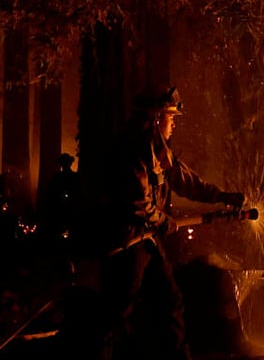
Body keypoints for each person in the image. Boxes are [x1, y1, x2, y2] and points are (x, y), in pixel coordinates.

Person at [96, 84, 245, 360]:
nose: (174, 124)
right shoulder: (132, 151)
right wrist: (164, 221)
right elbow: (137, 204)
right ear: (155, 118)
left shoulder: (159, 151)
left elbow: (186, 181)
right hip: (126, 245)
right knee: (117, 310)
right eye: (170, 117)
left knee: (170, 302)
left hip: (146, 242)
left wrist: (222, 197)